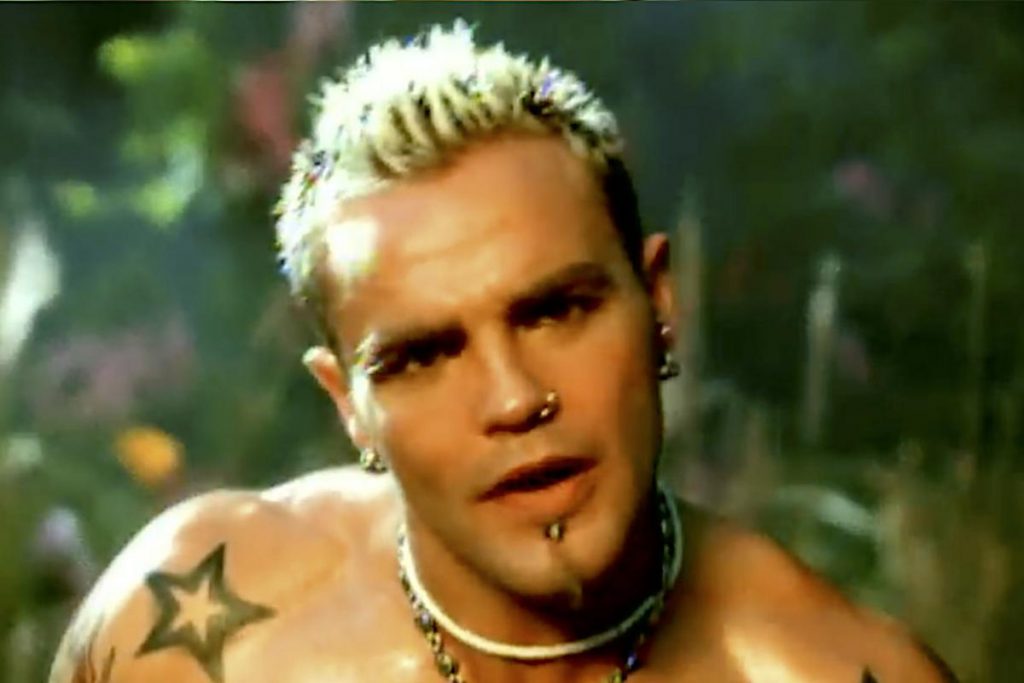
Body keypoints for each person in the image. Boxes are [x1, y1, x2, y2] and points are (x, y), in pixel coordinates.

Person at [50, 22, 955, 683]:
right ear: (347, 402)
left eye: (557, 310)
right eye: (422, 356)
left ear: (659, 304)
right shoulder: (193, 637)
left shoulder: (829, 666)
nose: (515, 398)